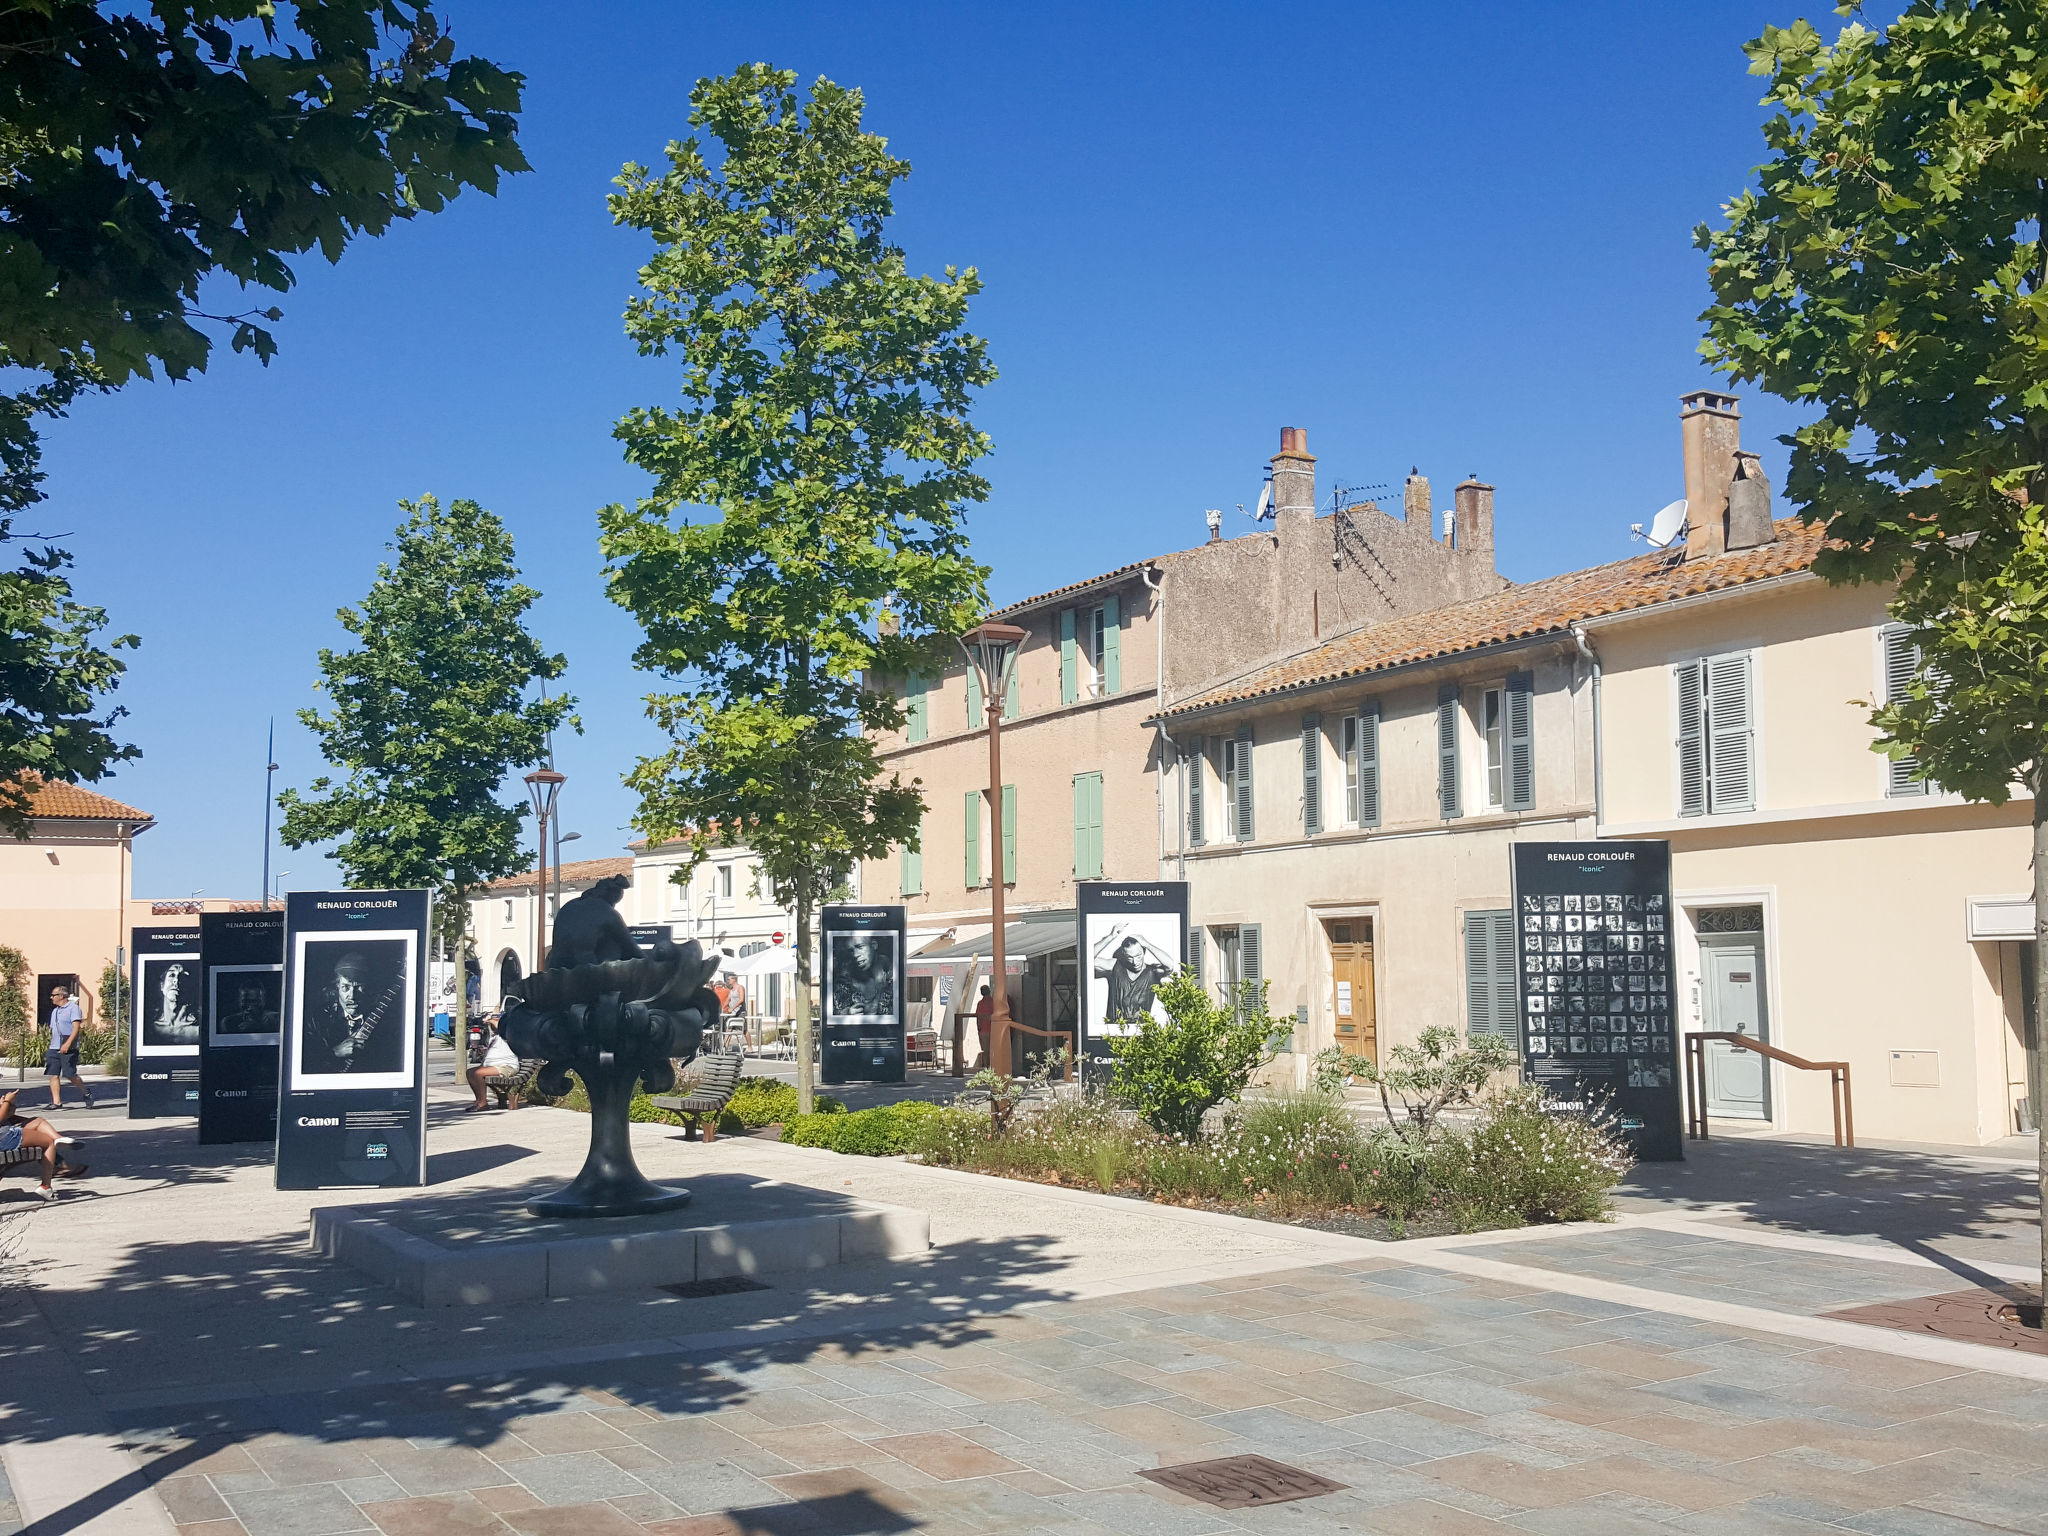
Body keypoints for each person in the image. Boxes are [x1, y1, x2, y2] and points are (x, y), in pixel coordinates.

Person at [0, 1090, 88, 1198]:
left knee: (38, 1122)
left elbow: (6, 1117)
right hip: (4, 1136)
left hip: (5, 1132)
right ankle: (45, 1186)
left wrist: (8, 1107)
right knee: (48, 1143)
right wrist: (7, 1102)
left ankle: (58, 1138)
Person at [1092, 923, 1177, 1031]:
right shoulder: (1115, 966)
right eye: (1129, 957)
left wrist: (1147, 944)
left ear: (1144, 952)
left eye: (1138, 956)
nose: (1134, 962)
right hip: (1115, 1030)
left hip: (1141, 1031)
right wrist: (1110, 937)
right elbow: (1086, 958)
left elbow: (1170, 966)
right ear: (1124, 954)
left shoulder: (1152, 971)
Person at [43, 986, 94, 1110]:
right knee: (53, 1074)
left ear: (61, 996)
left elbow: (76, 1028)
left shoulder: (73, 1008)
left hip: (68, 1045)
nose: (51, 997)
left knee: (70, 1074)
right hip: (54, 1046)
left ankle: (86, 1092)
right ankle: (57, 1102)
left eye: (53, 995)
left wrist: (68, 1043)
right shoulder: (55, 1011)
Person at [465, 1019, 523, 1111]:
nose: (492, 1027)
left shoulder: (507, 1035)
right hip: (494, 1066)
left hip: (507, 1066)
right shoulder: (494, 1038)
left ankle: (483, 1103)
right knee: (470, 1072)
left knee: (478, 1073)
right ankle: (478, 1100)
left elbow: (499, 1026)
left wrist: (490, 1019)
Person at [973, 984, 994, 1070]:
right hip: (995, 1029)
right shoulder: (994, 1002)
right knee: (994, 1049)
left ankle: (987, 1068)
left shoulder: (980, 1004)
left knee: (986, 1051)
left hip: (983, 1030)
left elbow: (978, 1017)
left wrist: (978, 1028)